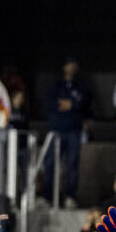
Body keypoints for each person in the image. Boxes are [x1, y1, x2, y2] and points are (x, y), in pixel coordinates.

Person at [43, 56, 92, 209]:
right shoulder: (55, 84)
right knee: (50, 163)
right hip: (56, 130)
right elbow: (50, 103)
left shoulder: (81, 85)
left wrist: (71, 105)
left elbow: (83, 104)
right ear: (64, 67)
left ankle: (70, 196)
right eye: (68, 64)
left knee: (72, 165)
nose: (71, 67)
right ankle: (47, 197)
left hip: (74, 130)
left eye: (73, 65)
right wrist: (70, 105)